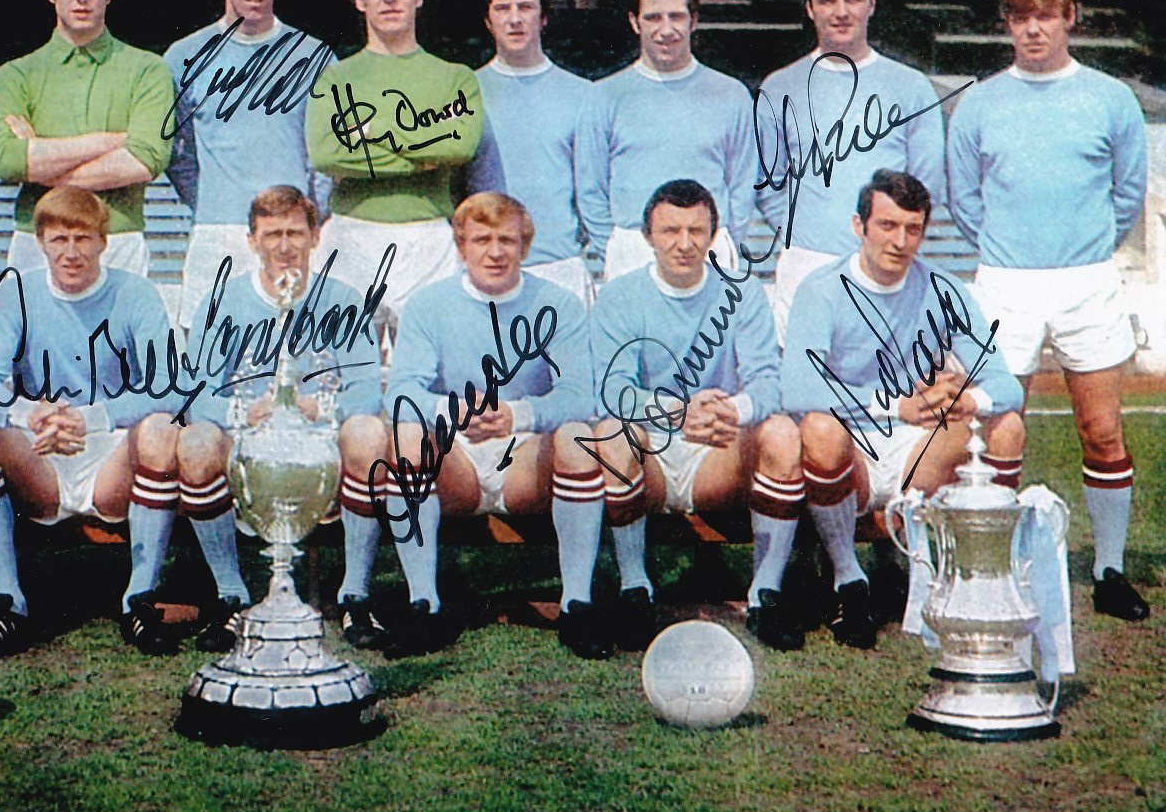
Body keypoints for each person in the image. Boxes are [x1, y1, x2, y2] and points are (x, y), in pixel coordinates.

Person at [947, 0, 1150, 622]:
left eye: (1045, 17)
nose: (1033, 29)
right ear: (1006, 24)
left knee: (1102, 426)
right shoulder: (978, 102)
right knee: (1001, 428)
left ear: (1070, 18)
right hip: (1006, 282)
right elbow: (962, 198)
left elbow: (1126, 194)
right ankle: (994, 566)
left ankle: (1110, 568)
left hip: (1087, 279)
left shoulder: (1112, 98)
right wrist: (1014, 253)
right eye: (1018, 18)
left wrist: (1079, 249)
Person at [783, 169, 1026, 647]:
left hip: (918, 448)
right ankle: (848, 581)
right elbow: (799, 389)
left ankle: (981, 578)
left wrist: (965, 397)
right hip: (853, 442)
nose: (899, 241)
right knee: (818, 427)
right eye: (887, 226)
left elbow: (1004, 383)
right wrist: (897, 406)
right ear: (860, 226)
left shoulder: (945, 290)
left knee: (1007, 426)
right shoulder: (821, 288)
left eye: (912, 229)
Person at [0, 186, 189, 655]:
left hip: (110, 456)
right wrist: (31, 412)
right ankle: (11, 601)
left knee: (163, 429)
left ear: (104, 241)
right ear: (40, 242)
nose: (71, 252)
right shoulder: (15, 290)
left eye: (82, 239)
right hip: (39, 452)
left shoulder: (135, 292)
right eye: (59, 239)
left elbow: (171, 386)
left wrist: (91, 418)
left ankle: (138, 599)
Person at [377, 192, 600, 657]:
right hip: (456, 454)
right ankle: (425, 604)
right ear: (461, 247)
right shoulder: (428, 304)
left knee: (581, 438)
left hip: (525, 456)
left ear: (525, 246)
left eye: (507, 240)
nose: (495, 252)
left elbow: (582, 395)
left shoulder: (558, 304)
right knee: (407, 435)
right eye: (481, 240)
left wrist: (517, 413)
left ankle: (578, 605)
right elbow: (401, 392)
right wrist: (456, 410)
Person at [586, 180, 803, 652]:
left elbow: (768, 382)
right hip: (654, 455)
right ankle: (634, 589)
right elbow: (611, 391)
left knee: (783, 433)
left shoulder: (740, 294)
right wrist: (677, 413)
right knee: (609, 434)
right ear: (647, 235)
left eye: (696, 231)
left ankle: (766, 594)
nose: (684, 244)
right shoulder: (620, 296)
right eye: (670, 231)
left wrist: (730, 409)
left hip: (718, 450)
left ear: (713, 235)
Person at [178, 185, 388, 650]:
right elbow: (197, 391)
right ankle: (230, 595)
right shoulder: (224, 301)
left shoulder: (344, 298)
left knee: (370, 433)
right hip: (250, 441)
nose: (285, 245)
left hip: (321, 443)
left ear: (316, 237)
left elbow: (367, 389)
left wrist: (320, 409)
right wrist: (245, 411)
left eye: (295, 232)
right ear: (251, 240)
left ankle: (355, 594)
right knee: (194, 444)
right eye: (272, 234)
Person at [755, 0, 946, 336]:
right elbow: (769, 184)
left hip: (886, 265)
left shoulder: (911, 87)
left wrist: (886, 243)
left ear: (872, 4)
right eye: (827, 0)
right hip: (807, 264)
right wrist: (806, 237)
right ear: (810, 8)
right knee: (804, 391)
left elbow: (927, 186)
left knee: (890, 390)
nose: (841, 11)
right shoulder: (779, 88)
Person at [164, 0, 336, 325]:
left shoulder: (315, 57)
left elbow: (326, 154)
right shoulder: (183, 57)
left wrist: (307, 216)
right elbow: (178, 153)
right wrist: (213, 202)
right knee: (208, 363)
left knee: (293, 360)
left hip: (291, 233)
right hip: (218, 231)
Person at [305, 0, 484, 330]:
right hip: (351, 234)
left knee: (428, 372)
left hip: (429, 236)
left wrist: (376, 132)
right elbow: (326, 154)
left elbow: (460, 145)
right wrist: (422, 146)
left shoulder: (454, 78)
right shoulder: (335, 78)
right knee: (344, 370)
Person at [0, 0, 175, 277]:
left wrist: (42, 159)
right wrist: (112, 142)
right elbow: (7, 159)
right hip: (36, 239)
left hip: (117, 237)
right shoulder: (16, 75)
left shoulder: (148, 70)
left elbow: (148, 157)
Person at [581, 0, 756, 282]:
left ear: (693, 21)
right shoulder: (603, 96)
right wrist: (615, 247)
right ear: (635, 22)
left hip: (707, 249)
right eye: (653, 18)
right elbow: (591, 187)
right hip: (633, 250)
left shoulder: (731, 94)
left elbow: (742, 184)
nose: (665, 30)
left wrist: (722, 241)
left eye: (676, 17)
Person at [464, 0, 596, 305]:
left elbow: (591, 191)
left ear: (544, 16)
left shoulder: (583, 95)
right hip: (484, 269)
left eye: (525, 7)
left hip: (559, 266)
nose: (514, 19)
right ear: (488, 20)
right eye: (503, 8)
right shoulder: (464, 92)